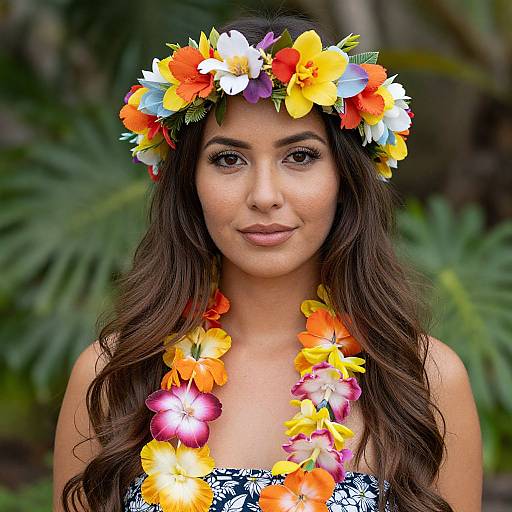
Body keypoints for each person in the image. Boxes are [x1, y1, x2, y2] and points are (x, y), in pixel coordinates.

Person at [52, 13, 483, 512]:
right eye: (228, 159)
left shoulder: (424, 381)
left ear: (346, 177)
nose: (264, 195)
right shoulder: (114, 375)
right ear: (189, 182)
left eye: (299, 156)